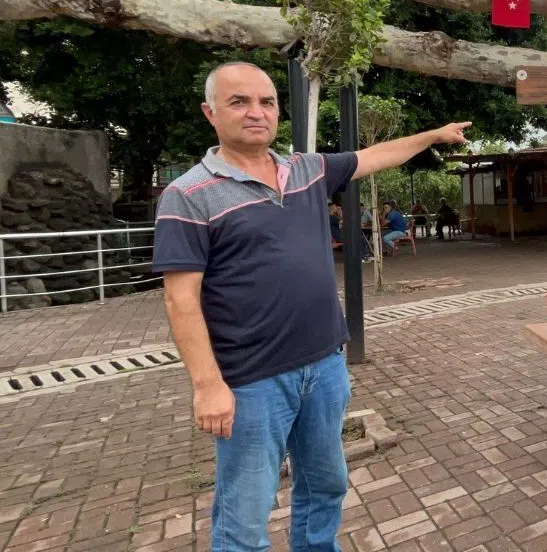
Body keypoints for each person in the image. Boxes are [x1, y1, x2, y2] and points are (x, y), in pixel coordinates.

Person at [152, 61, 470, 550]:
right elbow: (180, 300)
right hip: (252, 381)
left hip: (325, 366)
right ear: (210, 112)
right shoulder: (188, 195)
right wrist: (208, 386)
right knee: (245, 517)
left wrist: (432, 134)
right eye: (239, 102)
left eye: (266, 102)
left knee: (326, 486)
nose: (256, 112)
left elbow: (374, 156)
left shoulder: (306, 170)